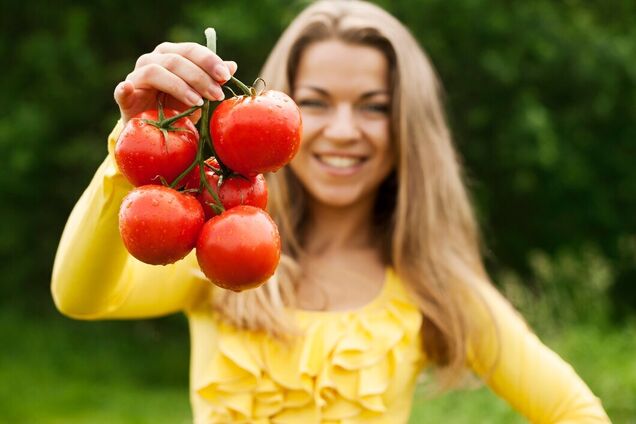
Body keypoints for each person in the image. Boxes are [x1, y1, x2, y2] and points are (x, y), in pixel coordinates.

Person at [51, 1, 610, 422]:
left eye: (374, 107)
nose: (342, 132)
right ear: (274, 106)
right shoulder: (218, 255)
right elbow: (79, 297)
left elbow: (574, 411)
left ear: (408, 128)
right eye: (315, 102)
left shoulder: (432, 285)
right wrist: (131, 153)